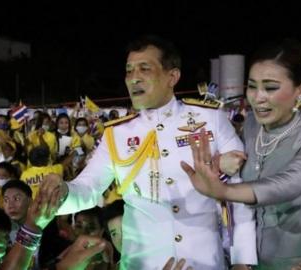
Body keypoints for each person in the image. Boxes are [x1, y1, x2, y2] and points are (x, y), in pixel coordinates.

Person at [46, 35, 257, 269]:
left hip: (205, 263)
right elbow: (88, 187)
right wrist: (61, 192)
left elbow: (240, 195)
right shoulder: (116, 134)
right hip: (142, 264)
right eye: (129, 71)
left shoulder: (210, 119)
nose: (133, 78)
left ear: (172, 77)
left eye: (144, 68)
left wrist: (243, 260)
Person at [182, 39, 301, 269]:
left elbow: (291, 183)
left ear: (300, 89)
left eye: (271, 87)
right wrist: (218, 165)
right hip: (256, 260)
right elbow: (236, 173)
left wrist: (224, 191)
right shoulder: (252, 125)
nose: (258, 97)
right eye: (252, 85)